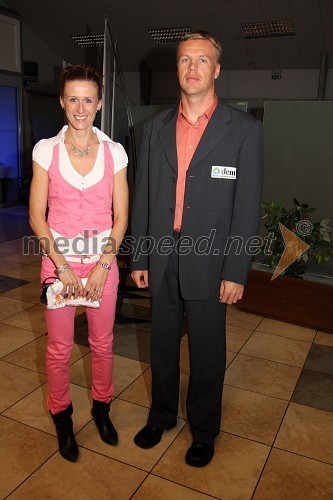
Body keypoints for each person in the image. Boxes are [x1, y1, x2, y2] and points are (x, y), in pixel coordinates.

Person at [130, 31, 263, 467]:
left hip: (212, 262)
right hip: (162, 257)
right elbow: (144, 197)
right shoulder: (153, 129)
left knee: (207, 353)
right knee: (162, 345)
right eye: (185, 60)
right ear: (178, 69)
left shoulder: (243, 130)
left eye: (202, 60)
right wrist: (141, 256)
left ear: (217, 69)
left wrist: (236, 271)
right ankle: (162, 415)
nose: (192, 68)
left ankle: (204, 430)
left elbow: (247, 206)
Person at [29, 65, 128, 462]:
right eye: (73, 99)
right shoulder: (45, 150)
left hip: (103, 264)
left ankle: (101, 409)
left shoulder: (114, 151)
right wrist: (63, 268)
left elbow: (121, 217)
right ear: (62, 101)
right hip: (60, 266)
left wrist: (105, 264)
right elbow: (38, 215)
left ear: (100, 103)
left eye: (88, 99)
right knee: (59, 349)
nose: (80, 107)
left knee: (103, 344)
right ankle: (63, 417)